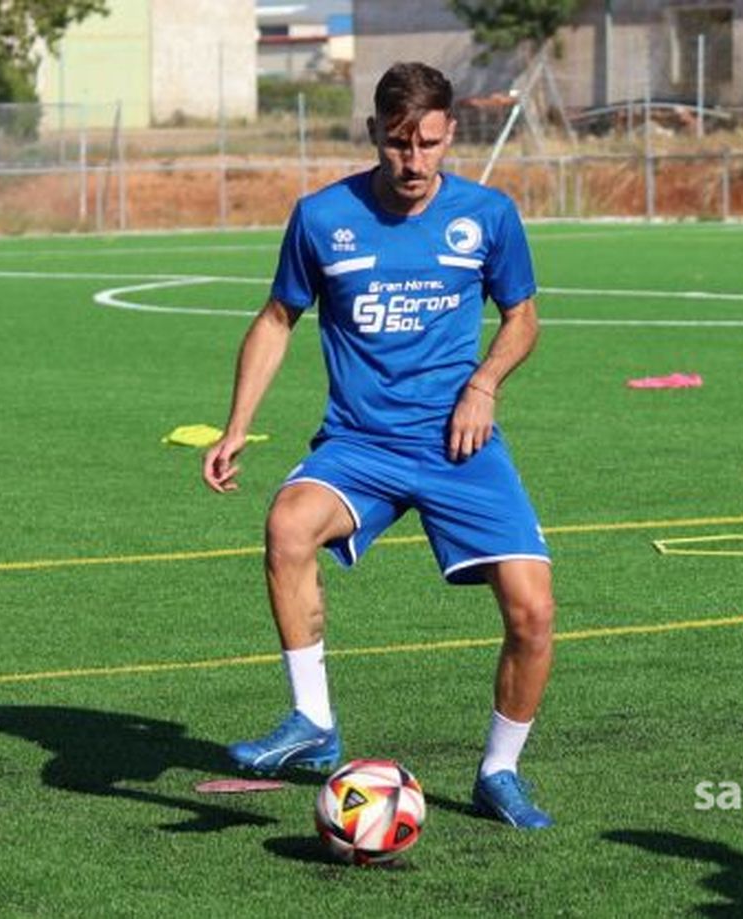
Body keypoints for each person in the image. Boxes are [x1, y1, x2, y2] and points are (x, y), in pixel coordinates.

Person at [203, 62, 557, 829]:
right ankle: (312, 722)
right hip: (360, 442)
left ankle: (500, 769)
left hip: (461, 443)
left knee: (533, 613)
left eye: (429, 144)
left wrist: (484, 383)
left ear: (450, 133)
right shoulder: (322, 217)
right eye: (399, 143)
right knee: (287, 523)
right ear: (374, 133)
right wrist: (235, 425)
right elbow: (276, 320)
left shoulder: (489, 215)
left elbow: (522, 318)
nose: (414, 162)